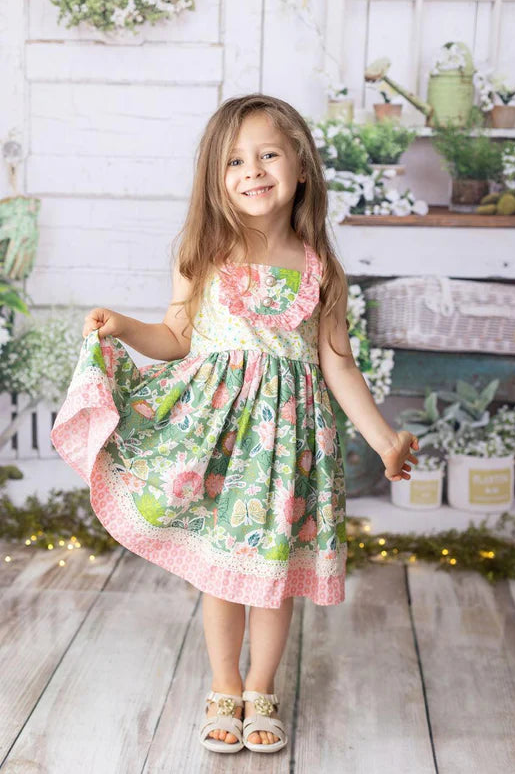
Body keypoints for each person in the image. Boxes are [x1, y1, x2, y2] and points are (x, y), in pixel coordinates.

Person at [50, 93, 419, 755]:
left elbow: (338, 366)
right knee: (220, 570)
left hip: (288, 451)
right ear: (215, 177)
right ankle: (224, 684)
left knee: (273, 575)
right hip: (217, 443)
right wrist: (124, 327)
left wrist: (384, 438)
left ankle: (260, 687)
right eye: (234, 161)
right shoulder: (204, 251)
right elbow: (175, 338)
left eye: (268, 154)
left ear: (299, 165)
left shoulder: (319, 266)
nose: (252, 171)